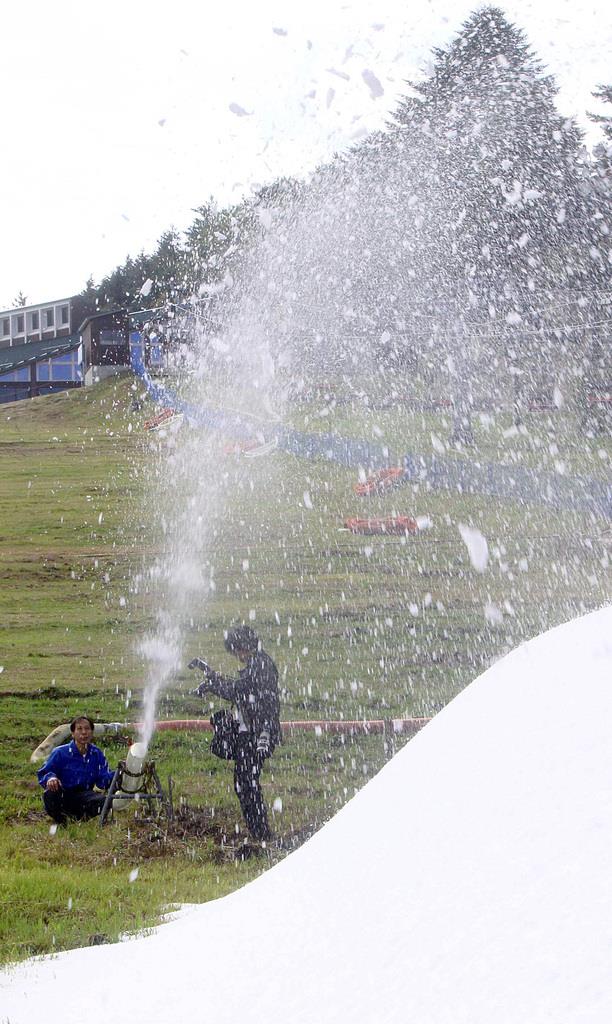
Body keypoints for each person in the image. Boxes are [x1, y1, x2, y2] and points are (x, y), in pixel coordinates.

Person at [189, 625, 281, 843]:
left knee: (246, 784)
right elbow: (240, 690)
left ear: (244, 646)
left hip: (256, 735)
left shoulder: (260, 664)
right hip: (251, 733)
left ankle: (261, 834)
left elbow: (238, 690)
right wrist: (212, 678)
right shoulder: (257, 663)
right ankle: (259, 832)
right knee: (245, 783)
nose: (237, 656)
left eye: (237, 650)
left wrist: (212, 682)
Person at [37, 715, 115, 825]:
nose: (84, 732)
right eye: (79, 729)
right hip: (63, 795)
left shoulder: (96, 754)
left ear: (92, 732)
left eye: (87, 729)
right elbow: (44, 772)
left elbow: (103, 781)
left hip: (84, 796)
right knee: (51, 792)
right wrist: (51, 778)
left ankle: (81, 819)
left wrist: (119, 773)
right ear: (73, 733)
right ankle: (60, 820)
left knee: (104, 801)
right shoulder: (60, 752)